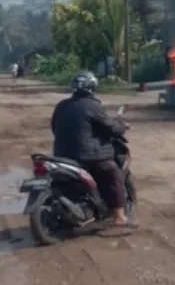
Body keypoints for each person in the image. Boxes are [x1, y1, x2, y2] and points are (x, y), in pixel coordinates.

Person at [50, 70, 133, 230]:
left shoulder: (61, 106)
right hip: (88, 157)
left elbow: (55, 128)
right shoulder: (93, 105)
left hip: (63, 155)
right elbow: (109, 126)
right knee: (114, 172)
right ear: (92, 88)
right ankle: (119, 217)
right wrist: (122, 126)